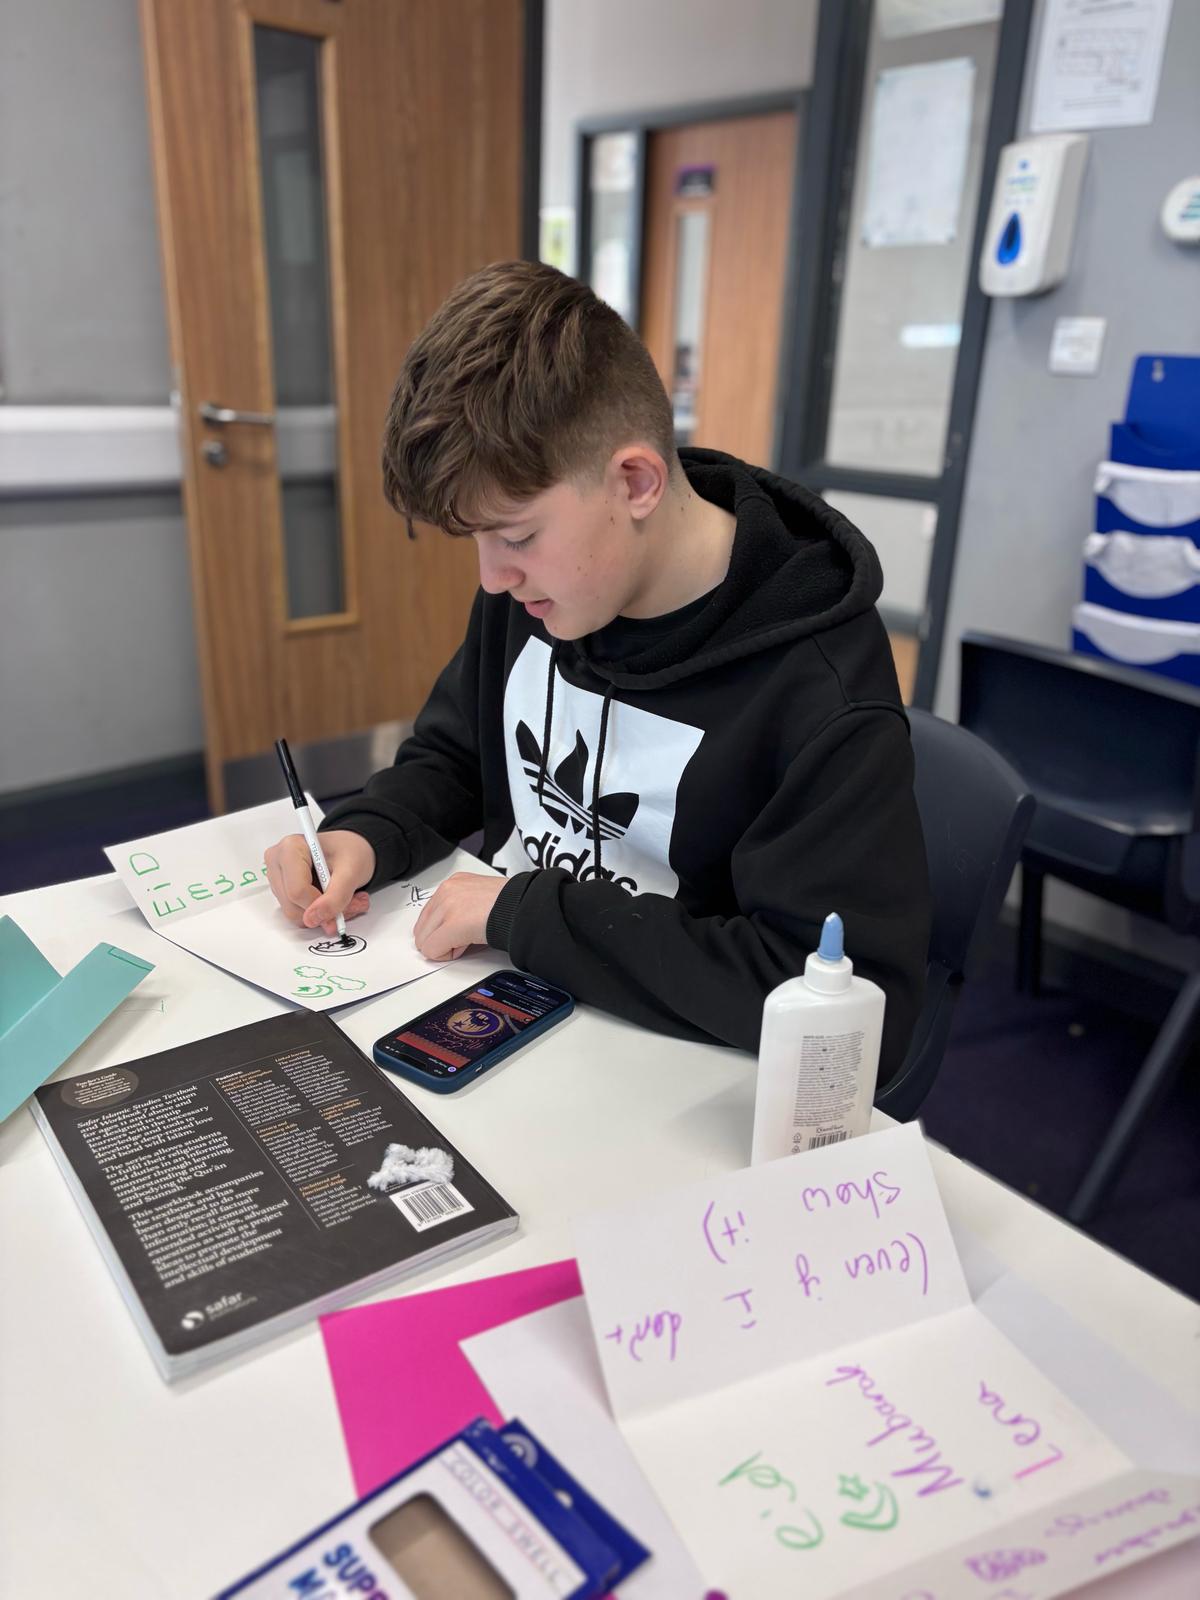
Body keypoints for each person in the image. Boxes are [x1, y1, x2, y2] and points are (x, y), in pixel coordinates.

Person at [264, 261, 931, 1082]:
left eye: (515, 536)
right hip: (510, 1008)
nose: (493, 578)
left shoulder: (818, 689)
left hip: (679, 1077)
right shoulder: (549, 589)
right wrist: (367, 833)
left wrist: (528, 915)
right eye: (476, 541)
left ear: (636, 482)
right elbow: (457, 757)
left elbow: (852, 1011)